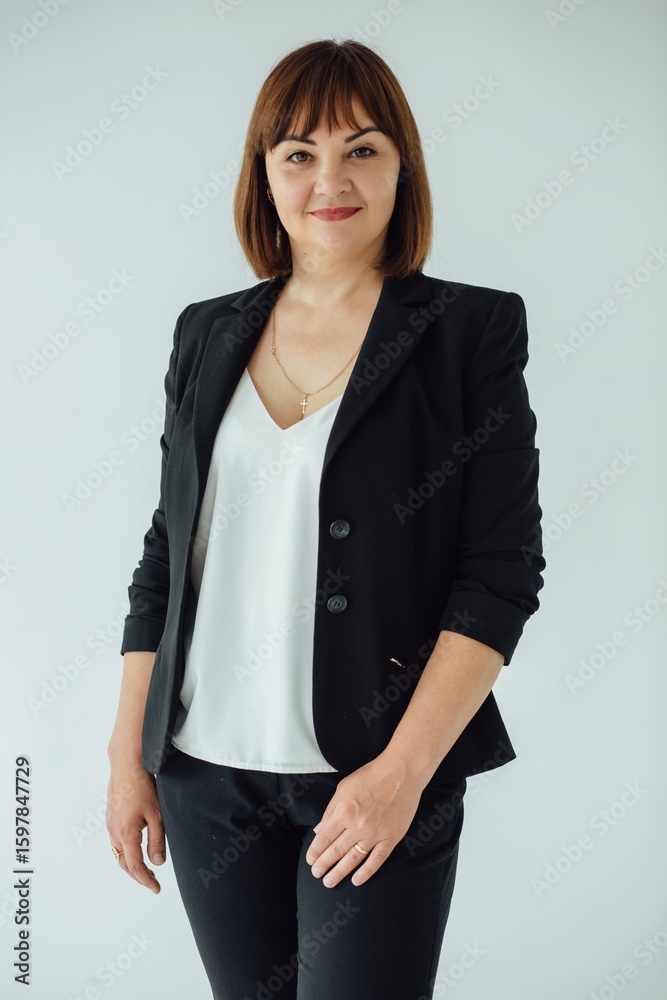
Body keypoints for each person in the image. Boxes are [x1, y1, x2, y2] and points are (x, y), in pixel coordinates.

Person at [106, 38, 545, 1000]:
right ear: (263, 173)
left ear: (402, 167)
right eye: (298, 152)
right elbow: (166, 556)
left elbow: (500, 574)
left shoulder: (468, 332)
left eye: (362, 149)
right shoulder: (205, 332)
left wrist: (402, 774)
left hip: (375, 776)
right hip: (205, 776)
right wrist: (128, 755)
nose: (329, 181)